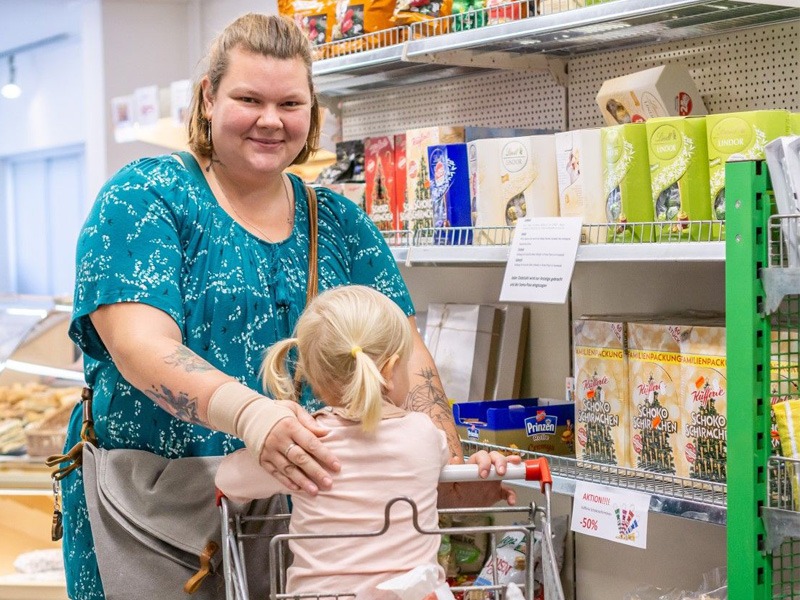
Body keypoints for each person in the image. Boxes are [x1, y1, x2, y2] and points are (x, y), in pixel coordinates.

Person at [61, 12, 515, 600]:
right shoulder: (147, 197)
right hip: (153, 513)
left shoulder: (340, 222)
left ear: (312, 110)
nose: (270, 121)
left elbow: (409, 357)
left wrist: (445, 474)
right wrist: (255, 416)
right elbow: (139, 345)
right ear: (208, 98)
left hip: (307, 522)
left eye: (290, 104)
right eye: (248, 98)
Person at [217, 285, 454, 594]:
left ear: (313, 379)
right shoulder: (425, 433)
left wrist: (273, 421)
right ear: (392, 369)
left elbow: (228, 481)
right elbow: (446, 466)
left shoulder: (305, 443)